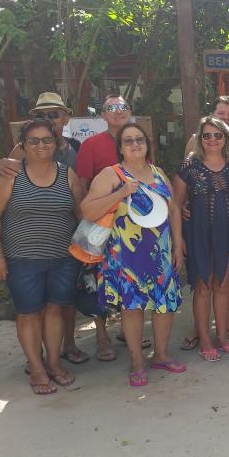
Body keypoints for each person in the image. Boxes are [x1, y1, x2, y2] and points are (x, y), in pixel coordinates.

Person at [0, 120, 83, 395]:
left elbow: (80, 214)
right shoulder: (11, 175)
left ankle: (52, 363)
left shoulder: (68, 175)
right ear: (23, 145)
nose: (41, 145)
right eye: (34, 141)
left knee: (55, 310)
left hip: (63, 258)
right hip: (22, 259)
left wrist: (89, 250)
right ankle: (36, 369)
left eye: (47, 140)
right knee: (28, 313)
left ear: (56, 143)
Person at [81, 123, 185, 386]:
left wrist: (178, 244)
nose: (135, 144)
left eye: (139, 139)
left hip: (160, 252)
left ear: (147, 144)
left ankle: (161, 355)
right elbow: (87, 210)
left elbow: (173, 210)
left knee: (164, 305)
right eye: (128, 141)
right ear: (120, 147)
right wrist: (121, 193)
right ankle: (137, 362)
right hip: (126, 255)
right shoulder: (111, 174)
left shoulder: (158, 172)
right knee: (132, 307)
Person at [173, 117, 229, 361]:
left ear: (225, 137)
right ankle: (205, 339)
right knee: (203, 286)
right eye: (207, 135)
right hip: (198, 233)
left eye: (218, 135)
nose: (212, 140)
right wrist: (177, 238)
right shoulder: (190, 165)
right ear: (199, 139)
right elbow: (175, 204)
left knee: (223, 284)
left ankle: (222, 336)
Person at [74, 94, 136, 361]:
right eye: (112, 107)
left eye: (122, 107)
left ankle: (127, 328)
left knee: (128, 275)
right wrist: (86, 222)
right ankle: (102, 335)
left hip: (133, 224)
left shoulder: (138, 141)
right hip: (101, 223)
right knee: (98, 278)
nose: (118, 111)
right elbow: (82, 187)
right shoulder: (91, 145)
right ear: (103, 115)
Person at [184, 95, 229, 171]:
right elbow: (186, 173)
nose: (225, 117)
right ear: (211, 115)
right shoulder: (195, 140)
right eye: (221, 113)